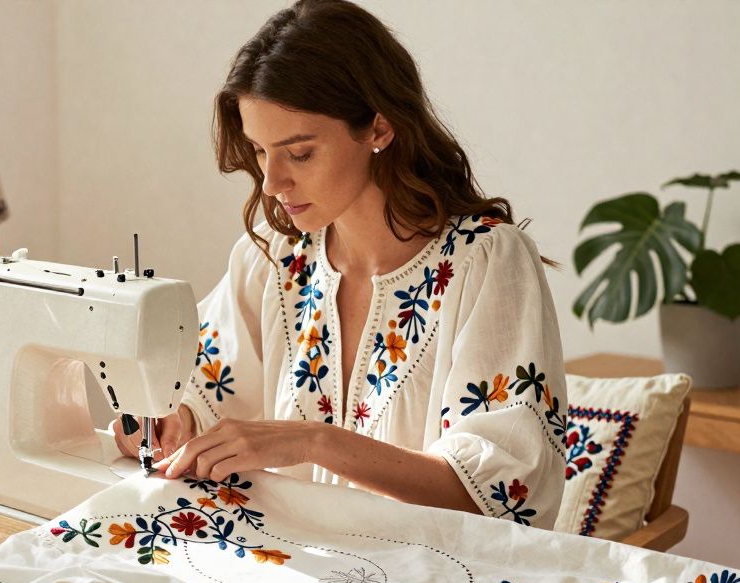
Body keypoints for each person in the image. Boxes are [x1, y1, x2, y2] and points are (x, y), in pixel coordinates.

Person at [112, 0, 567, 530]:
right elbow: (209, 388)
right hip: (300, 573)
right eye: (260, 152)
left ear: (379, 127)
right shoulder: (274, 257)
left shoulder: (486, 263)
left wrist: (311, 439)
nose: (272, 182)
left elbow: (499, 493)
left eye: (299, 153)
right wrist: (172, 419)